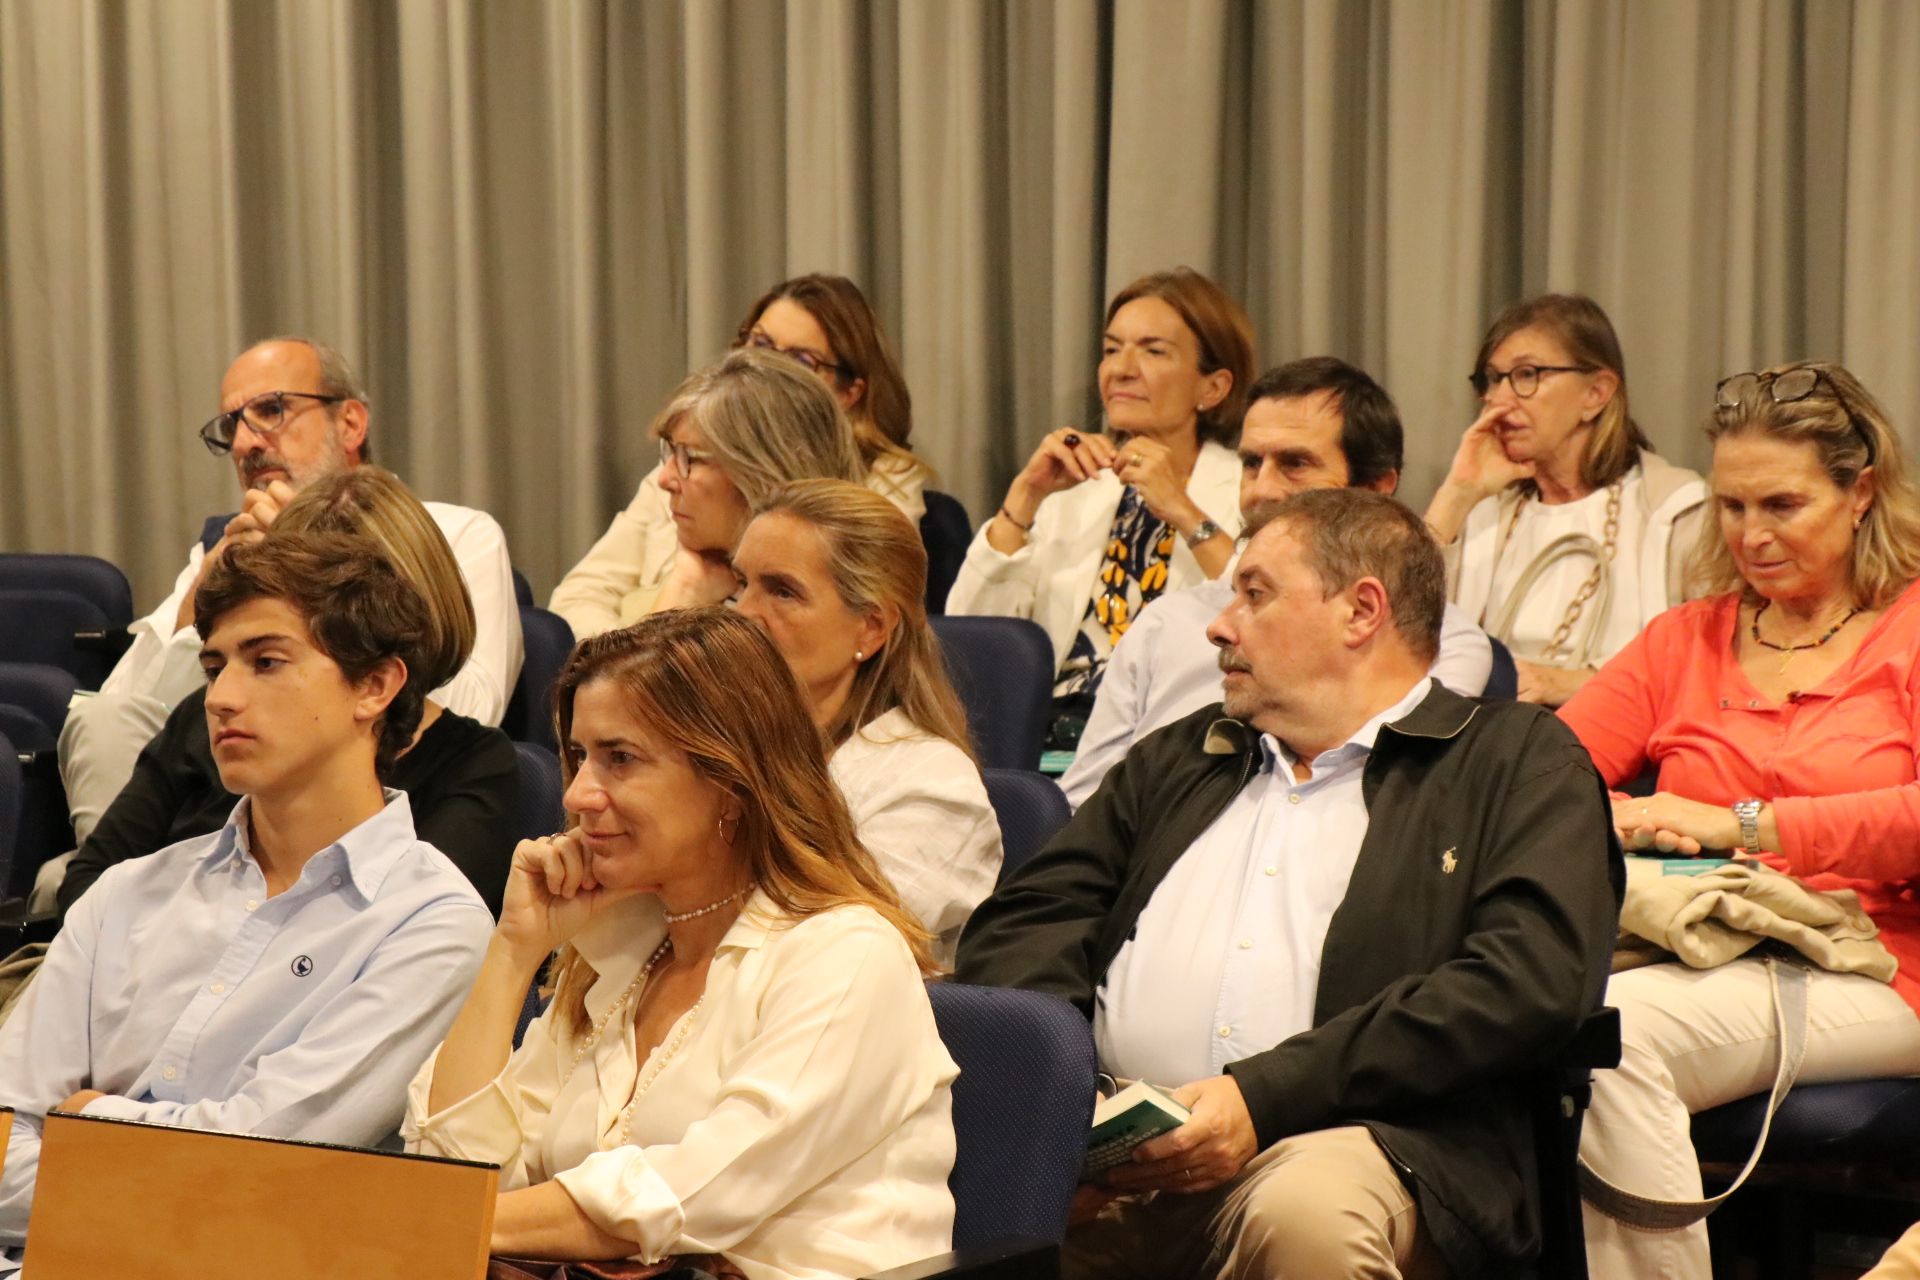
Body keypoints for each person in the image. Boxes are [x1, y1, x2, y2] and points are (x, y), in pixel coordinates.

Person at [957, 488, 1621, 1279]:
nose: (1219, 624)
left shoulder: (1512, 761)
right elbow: (1027, 921)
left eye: (1255, 593)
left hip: (1377, 1148)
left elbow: (1528, 984)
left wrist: (1264, 1097)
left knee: (1306, 1216)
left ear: (1360, 611)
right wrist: (1073, 1113)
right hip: (1127, 1163)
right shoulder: (1188, 754)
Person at [404, 610, 957, 1280]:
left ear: (729, 779)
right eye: (578, 757)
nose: (578, 794)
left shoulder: (845, 955)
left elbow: (690, 1194)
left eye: (620, 759)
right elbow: (462, 1166)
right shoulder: (624, 952)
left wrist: (432, 1219)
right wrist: (513, 950)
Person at [0, 532, 493, 1267]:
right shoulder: (130, 891)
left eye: (267, 661)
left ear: (374, 687)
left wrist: (91, 1119)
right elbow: (5, 1143)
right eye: (213, 665)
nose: (222, 697)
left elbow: (258, 1167)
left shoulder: (429, 921)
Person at [1558, 361, 1920, 1279]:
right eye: (1731, 507)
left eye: (1781, 506)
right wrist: (1637, 818)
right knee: (1536, 1015)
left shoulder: (1912, 629)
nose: (1751, 535)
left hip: (1878, 966)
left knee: (1610, 1035)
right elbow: (1537, 784)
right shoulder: (1685, 637)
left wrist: (1743, 826)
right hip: (1699, 949)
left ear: (1861, 492)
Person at [57, 336, 522, 849]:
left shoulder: (458, 532)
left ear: (349, 423)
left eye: (271, 410)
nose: (243, 444)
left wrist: (307, 564)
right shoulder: (223, 549)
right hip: (205, 811)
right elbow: (125, 717)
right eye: (232, 426)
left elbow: (471, 706)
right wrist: (203, 607)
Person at [54, 468, 520, 918]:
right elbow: (90, 890)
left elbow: (399, 931)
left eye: (268, 661)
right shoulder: (207, 717)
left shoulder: (472, 766)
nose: (223, 698)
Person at [1060, 357, 1495, 809]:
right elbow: (1082, 803)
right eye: (1251, 463)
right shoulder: (1168, 622)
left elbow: (1402, 801)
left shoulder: (1441, 641)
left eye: (1295, 464)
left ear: (1374, 488)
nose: (1261, 490)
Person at [946, 268, 1255, 745]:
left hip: (1172, 738)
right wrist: (1025, 498)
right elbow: (972, 645)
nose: (1121, 369)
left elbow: (1262, 613)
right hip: (1045, 737)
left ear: (1211, 388)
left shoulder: (1248, 488)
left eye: (1153, 351)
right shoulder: (1075, 489)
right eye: (1112, 349)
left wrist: (1181, 508)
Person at [551, 278, 926, 640]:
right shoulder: (679, 476)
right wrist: (679, 591)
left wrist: (670, 608)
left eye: (799, 358)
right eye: (759, 343)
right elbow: (578, 599)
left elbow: (646, 698)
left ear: (760, 473)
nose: (765, 364)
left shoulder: (825, 561)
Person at [733, 479, 1002, 963]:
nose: (744, 613)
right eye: (741, 585)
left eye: (782, 591)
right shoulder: (717, 746)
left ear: (872, 627)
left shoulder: (933, 787)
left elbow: (831, 957)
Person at [1424, 294, 1706, 706]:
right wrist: (1457, 493)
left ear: (1596, 392)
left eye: (1527, 374)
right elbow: (1398, 635)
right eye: (1493, 379)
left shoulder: (1678, 509)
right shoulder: (1483, 510)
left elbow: (1713, 671)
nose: (1499, 401)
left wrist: (1570, 684)